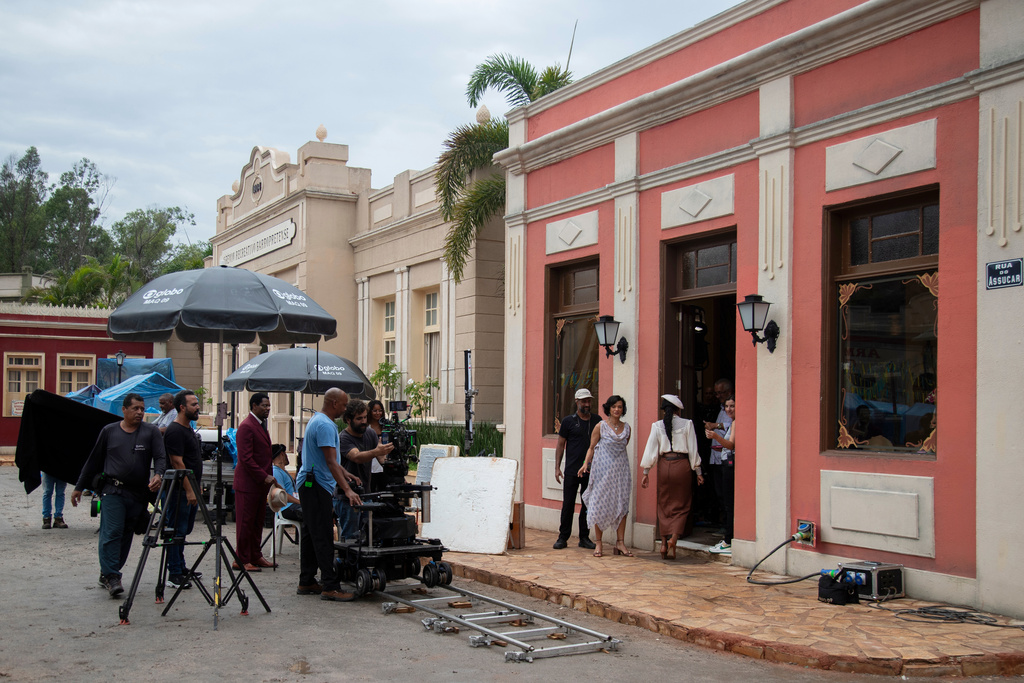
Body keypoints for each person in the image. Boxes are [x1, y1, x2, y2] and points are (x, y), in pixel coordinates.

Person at [71, 393, 166, 597]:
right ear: (124, 410)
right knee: (112, 532)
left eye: (142, 408)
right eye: (135, 408)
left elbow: (160, 457)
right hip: (112, 491)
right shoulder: (109, 431)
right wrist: (79, 486)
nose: (140, 412)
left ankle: (107, 571)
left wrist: (158, 474)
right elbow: (93, 461)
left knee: (126, 535)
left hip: (138, 494)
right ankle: (113, 576)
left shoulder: (151, 432)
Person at [296, 388, 362, 601]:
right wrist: (348, 489)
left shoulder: (318, 420)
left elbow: (330, 460)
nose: (345, 409)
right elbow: (331, 461)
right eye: (343, 405)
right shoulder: (324, 425)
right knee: (323, 534)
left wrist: (346, 474)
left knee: (309, 533)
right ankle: (330, 586)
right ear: (334, 403)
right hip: (315, 485)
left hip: (310, 482)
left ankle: (306, 580)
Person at [640, 394, 703, 560]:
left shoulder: (657, 425)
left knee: (664, 504)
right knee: (682, 505)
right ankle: (673, 540)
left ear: (664, 410)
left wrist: (646, 472)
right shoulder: (687, 424)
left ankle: (663, 542)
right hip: (681, 466)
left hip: (664, 466)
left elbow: (650, 450)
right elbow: (693, 449)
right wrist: (698, 472)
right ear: (677, 410)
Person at [578, 395, 632, 558]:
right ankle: (599, 543)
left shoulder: (627, 428)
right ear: (608, 408)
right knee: (600, 503)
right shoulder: (600, 426)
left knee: (622, 505)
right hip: (602, 470)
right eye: (614, 406)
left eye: (620, 407)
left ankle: (620, 542)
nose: (617, 409)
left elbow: (623, 446)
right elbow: (591, 447)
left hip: (621, 471)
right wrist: (585, 464)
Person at [162, 389, 203, 588]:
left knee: (184, 530)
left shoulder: (187, 429)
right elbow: (177, 463)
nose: (197, 407)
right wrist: (189, 489)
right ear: (182, 407)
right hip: (178, 491)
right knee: (176, 530)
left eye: (197, 403)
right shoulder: (175, 430)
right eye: (193, 404)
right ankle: (174, 573)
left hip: (191, 487)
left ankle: (181, 565)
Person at [337, 399, 394, 537]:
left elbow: (381, 459)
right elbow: (356, 456)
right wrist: (377, 452)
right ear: (348, 420)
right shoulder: (343, 438)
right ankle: (347, 558)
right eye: (359, 418)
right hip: (347, 496)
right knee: (351, 536)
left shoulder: (370, 434)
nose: (363, 421)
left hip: (366, 494)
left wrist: (392, 464)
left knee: (367, 536)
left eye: (364, 417)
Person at [553, 388, 600, 550]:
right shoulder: (568, 421)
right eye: (583, 401)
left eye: (589, 401)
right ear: (577, 402)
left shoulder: (597, 421)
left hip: (591, 470)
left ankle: (584, 537)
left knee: (587, 504)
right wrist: (557, 467)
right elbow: (560, 444)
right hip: (572, 470)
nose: (587, 404)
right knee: (568, 505)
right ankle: (563, 537)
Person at [234, 392, 276, 572]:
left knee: (257, 521)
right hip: (248, 484)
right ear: (254, 406)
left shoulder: (260, 425)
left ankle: (255, 554)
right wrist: (263, 475)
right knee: (245, 522)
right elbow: (245, 458)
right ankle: (241, 559)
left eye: (269, 406)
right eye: (264, 406)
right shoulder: (246, 426)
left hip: (260, 485)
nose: (268, 409)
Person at [702, 379, 734, 535]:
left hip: (726, 457)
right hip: (715, 456)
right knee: (718, 492)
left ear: (729, 392)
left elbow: (729, 431)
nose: (717, 396)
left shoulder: (732, 412)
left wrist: (715, 427)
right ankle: (723, 525)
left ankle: (728, 529)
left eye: (720, 393)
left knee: (726, 495)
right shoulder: (720, 408)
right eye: (716, 393)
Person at [271, 445, 302, 523]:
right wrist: (299, 502)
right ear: (282, 454)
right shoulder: (276, 472)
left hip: (293, 505)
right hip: (287, 508)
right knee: (311, 512)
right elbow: (282, 494)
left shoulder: (284, 471)